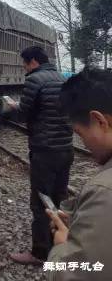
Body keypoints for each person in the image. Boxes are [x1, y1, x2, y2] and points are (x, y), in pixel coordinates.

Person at [44, 68, 112, 280]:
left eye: (80, 134)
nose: (83, 143)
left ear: (100, 121)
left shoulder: (104, 191)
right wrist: (86, 219)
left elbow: (82, 273)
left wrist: (63, 246)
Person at [9, 46, 73, 265]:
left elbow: (23, 114)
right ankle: (59, 242)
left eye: (25, 63)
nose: (24, 68)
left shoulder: (34, 80)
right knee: (58, 198)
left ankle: (39, 253)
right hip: (66, 148)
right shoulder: (62, 78)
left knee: (40, 202)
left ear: (33, 61)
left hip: (44, 150)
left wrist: (13, 106)